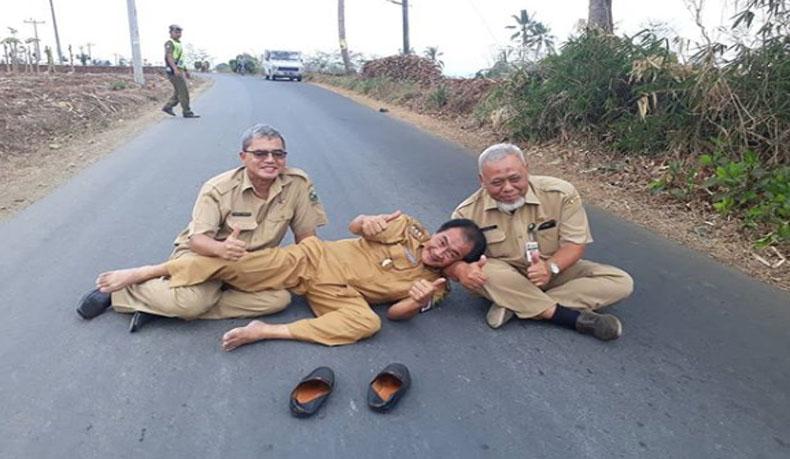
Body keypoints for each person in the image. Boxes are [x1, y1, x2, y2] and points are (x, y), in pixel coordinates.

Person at [89, 213, 487, 349]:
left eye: (452, 255)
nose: (440, 252)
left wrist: (415, 302)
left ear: (458, 263)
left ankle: (266, 332)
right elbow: (358, 225)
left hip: (340, 294)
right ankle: (146, 273)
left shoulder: (439, 287)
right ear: (437, 231)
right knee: (234, 265)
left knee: (368, 323)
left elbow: (398, 315)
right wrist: (365, 222)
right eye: (443, 241)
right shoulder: (407, 227)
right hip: (312, 261)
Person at [76, 124, 327, 332]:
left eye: (278, 154)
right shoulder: (218, 188)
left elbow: (306, 238)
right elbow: (198, 241)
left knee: (278, 300)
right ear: (243, 157)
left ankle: (164, 309)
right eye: (260, 154)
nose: (271, 160)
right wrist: (221, 248)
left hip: (254, 263)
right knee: (190, 303)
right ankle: (124, 293)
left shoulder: (298, 184)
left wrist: (315, 274)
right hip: (204, 258)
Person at [446, 143, 633, 341]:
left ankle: (514, 305)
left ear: (527, 169)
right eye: (497, 183)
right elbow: (449, 260)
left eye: (515, 178)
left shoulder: (561, 194)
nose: (508, 188)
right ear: (482, 181)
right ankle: (560, 313)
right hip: (504, 277)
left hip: (553, 269)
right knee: (486, 270)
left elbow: (574, 244)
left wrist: (550, 267)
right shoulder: (465, 213)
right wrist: (461, 271)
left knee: (620, 282)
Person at [161, 24, 199, 118]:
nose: (178, 34)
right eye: (176, 32)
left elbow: (180, 59)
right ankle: (187, 112)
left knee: (179, 91)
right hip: (173, 71)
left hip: (179, 70)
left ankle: (168, 107)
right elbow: (169, 57)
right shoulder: (170, 43)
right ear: (171, 33)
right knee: (183, 92)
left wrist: (186, 70)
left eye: (179, 32)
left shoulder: (178, 43)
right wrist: (175, 69)